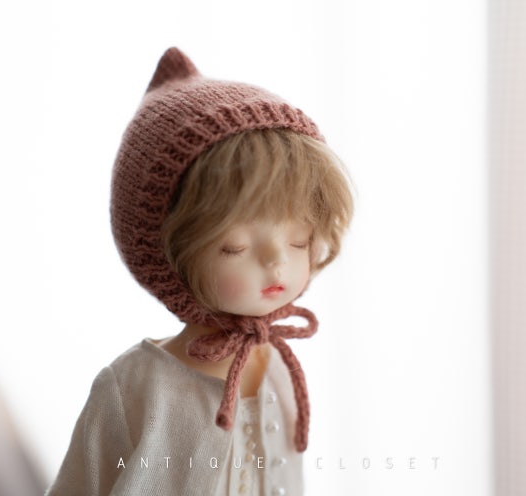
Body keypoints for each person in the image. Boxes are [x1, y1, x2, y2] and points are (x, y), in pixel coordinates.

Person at [47, 47, 353, 496]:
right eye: (236, 247)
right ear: (167, 251)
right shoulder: (136, 389)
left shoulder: (278, 367)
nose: (277, 261)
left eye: (299, 240)